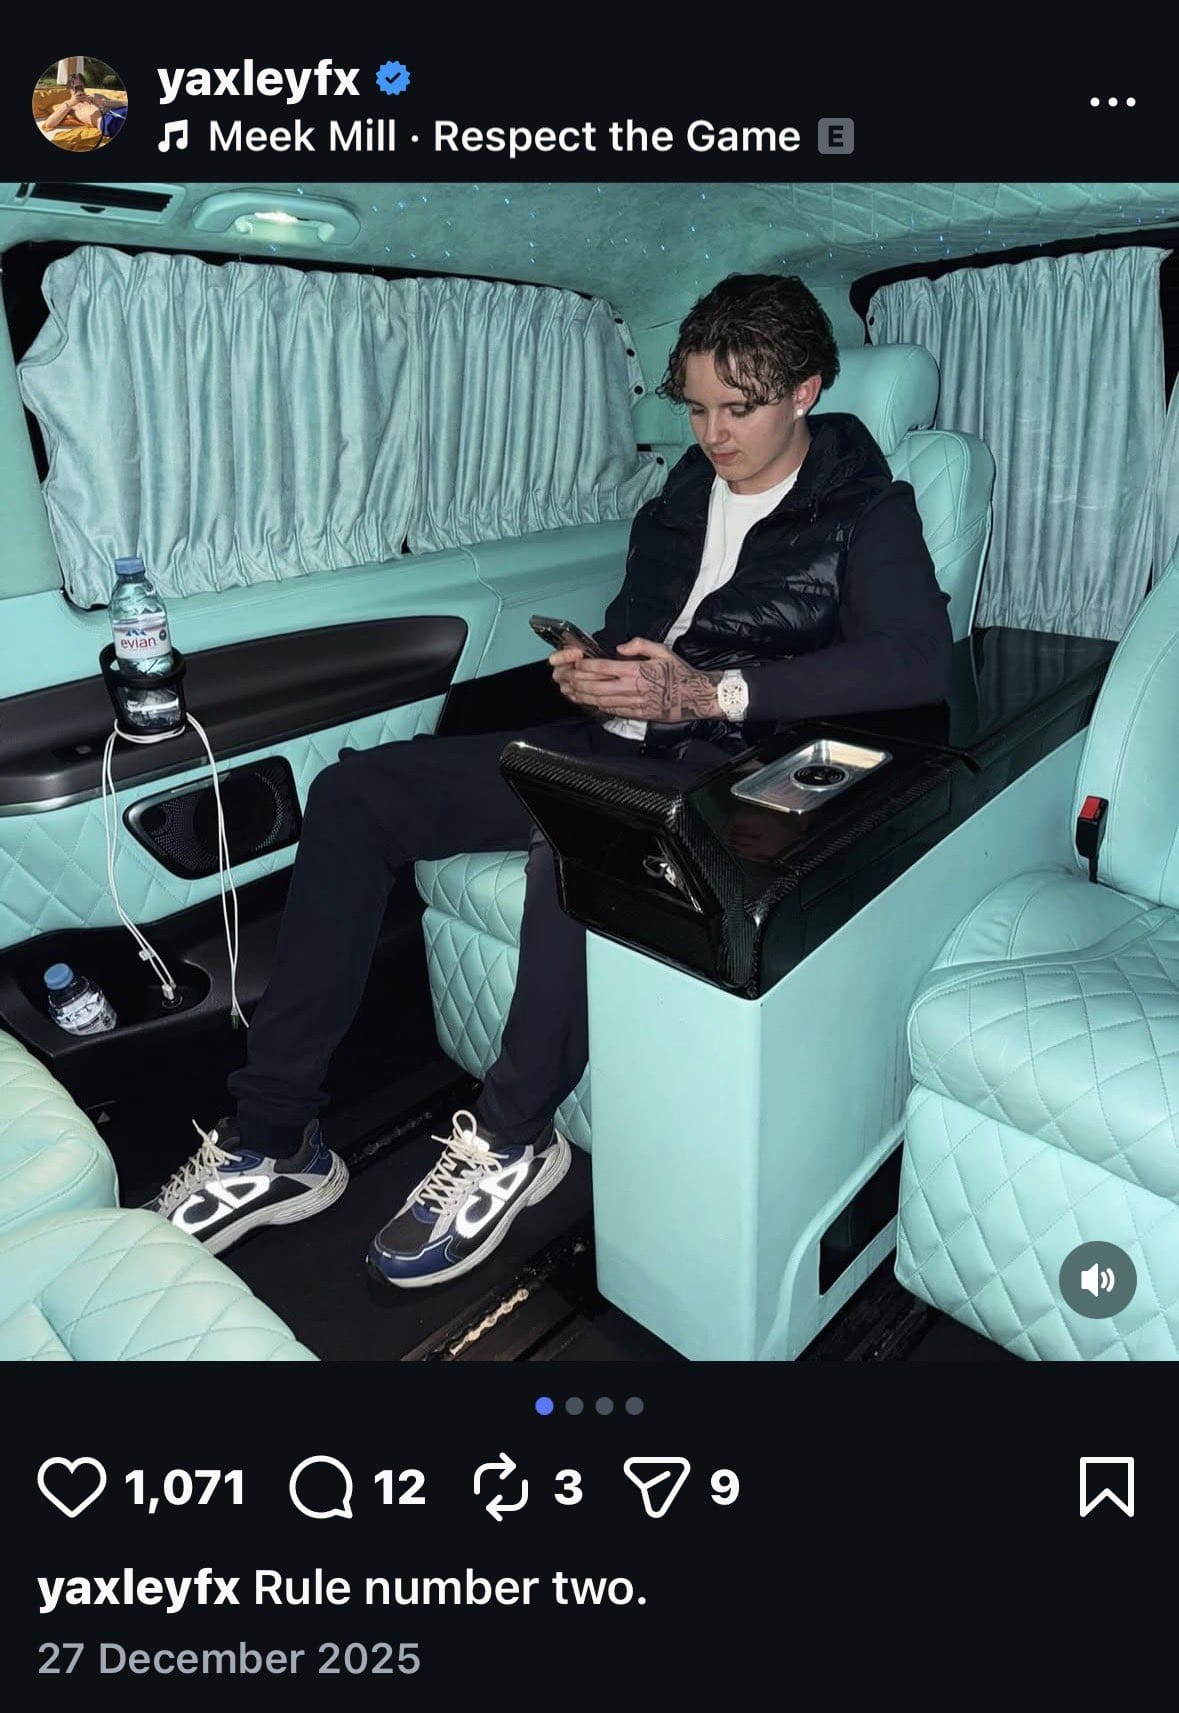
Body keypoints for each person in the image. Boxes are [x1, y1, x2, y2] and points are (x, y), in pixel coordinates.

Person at [146, 272, 953, 1286]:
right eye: (696, 408)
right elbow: (643, 625)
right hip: (614, 738)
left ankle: (515, 1137)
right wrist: (591, 669)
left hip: (732, 769)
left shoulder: (867, 510)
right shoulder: (684, 492)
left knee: (565, 839)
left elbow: (915, 661)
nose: (712, 434)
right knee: (355, 795)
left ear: (804, 392)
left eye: (738, 409)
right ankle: (275, 1138)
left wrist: (711, 694)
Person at [39, 73, 122, 138]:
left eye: (80, 86)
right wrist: (71, 103)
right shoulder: (69, 104)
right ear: (69, 89)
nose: (78, 90)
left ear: (84, 86)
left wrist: (103, 102)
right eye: (75, 87)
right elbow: (49, 124)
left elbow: (123, 104)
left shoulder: (95, 95)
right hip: (107, 121)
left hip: (120, 111)